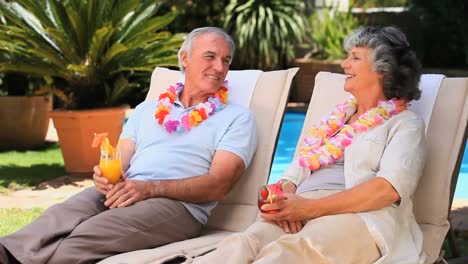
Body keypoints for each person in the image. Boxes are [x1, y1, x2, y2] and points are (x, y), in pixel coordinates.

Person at [0, 27, 258, 264]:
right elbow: (120, 158)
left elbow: (218, 185)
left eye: (226, 60)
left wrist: (149, 188)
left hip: (178, 207)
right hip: (126, 190)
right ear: (185, 58)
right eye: (210, 56)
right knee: (55, 219)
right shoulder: (147, 110)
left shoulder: (237, 118)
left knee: (83, 238)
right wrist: (104, 175)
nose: (219, 67)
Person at [191, 26, 426, 263]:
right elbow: (298, 169)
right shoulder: (335, 119)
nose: (345, 64)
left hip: (358, 216)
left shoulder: (404, 124)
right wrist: (283, 195)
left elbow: (387, 189)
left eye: (355, 58)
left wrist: (309, 208)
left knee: (288, 253)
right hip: (299, 209)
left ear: (382, 70)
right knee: (241, 244)